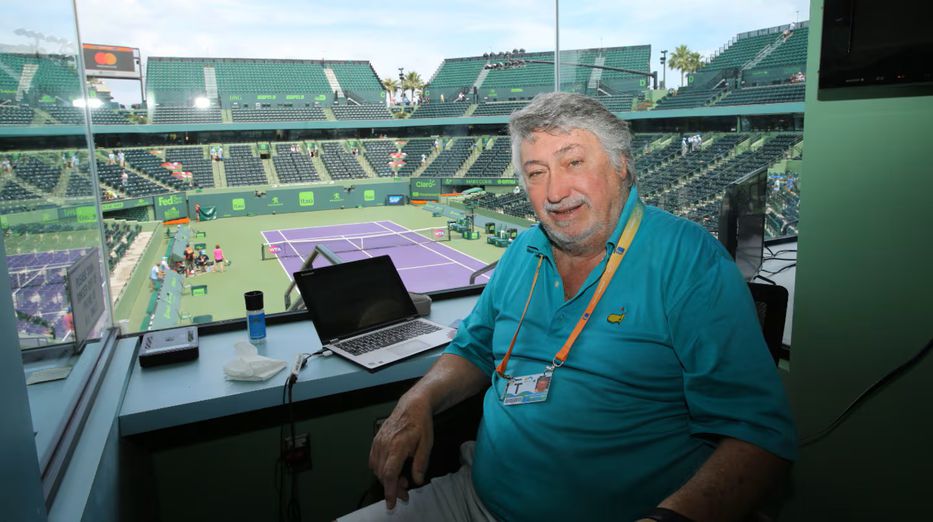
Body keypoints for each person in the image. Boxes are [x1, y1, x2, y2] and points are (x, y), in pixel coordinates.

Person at [350, 92, 796, 522]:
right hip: (474, 496)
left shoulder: (689, 261)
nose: (555, 191)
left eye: (574, 162)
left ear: (622, 165)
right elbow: (474, 348)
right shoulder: (523, 251)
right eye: (537, 171)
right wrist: (418, 398)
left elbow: (760, 437)